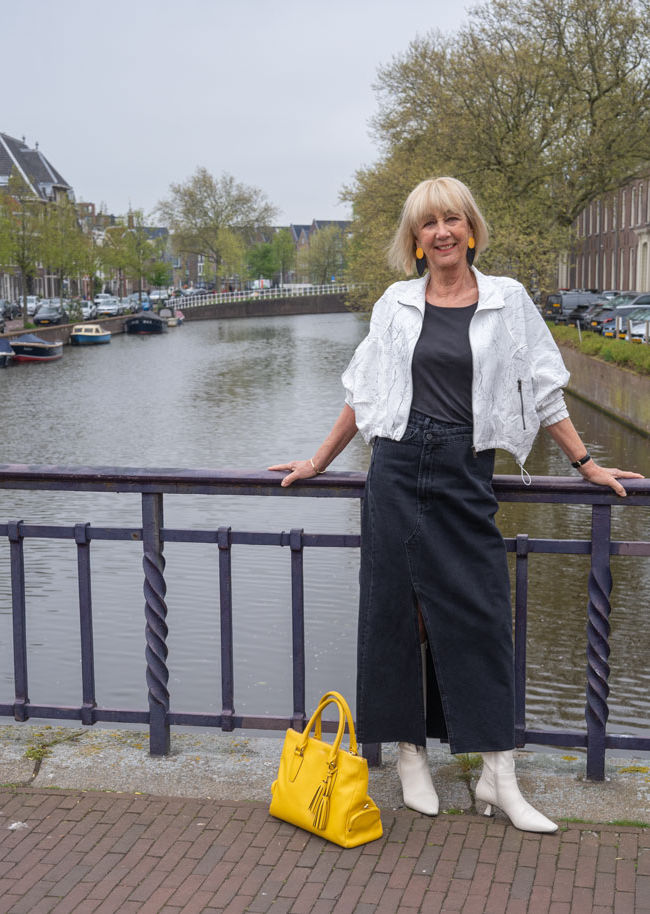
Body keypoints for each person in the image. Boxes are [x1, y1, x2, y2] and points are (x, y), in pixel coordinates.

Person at [268, 177, 642, 833]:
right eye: (427, 224)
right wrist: (318, 461)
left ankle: (499, 775)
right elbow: (362, 393)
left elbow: (547, 388)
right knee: (396, 616)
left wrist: (585, 464)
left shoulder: (507, 301)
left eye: (450, 220)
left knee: (482, 615)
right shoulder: (394, 304)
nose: (440, 232)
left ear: (470, 229)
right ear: (414, 241)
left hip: (465, 470)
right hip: (396, 466)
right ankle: (409, 752)